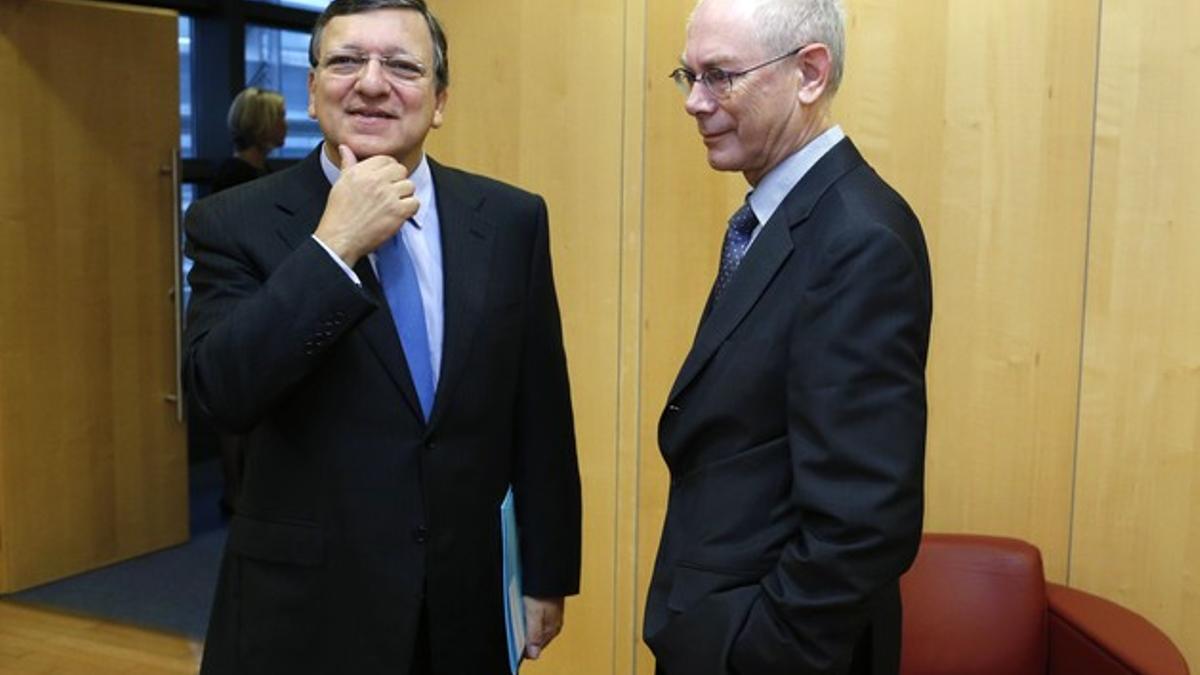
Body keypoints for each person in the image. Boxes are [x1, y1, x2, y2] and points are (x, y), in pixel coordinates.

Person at [182, 1, 581, 673]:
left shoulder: (509, 220)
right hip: (304, 613)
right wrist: (332, 249)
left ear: (440, 99)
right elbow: (220, 391)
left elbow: (540, 410)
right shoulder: (233, 221)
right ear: (312, 88)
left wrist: (546, 569)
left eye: (400, 65)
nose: (371, 82)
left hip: (464, 601)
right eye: (345, 61)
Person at [643, 1, 933, 674]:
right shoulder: (779, 217)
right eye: (688, 76)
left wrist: (755, 652)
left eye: (720, 76)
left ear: (809, 73)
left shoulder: (858, 240)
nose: (695, 102)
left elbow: (863, 522)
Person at [211, 86, 287, 193]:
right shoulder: (234, 177)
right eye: (280, 116)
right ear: (261, 123)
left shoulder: (263, 170)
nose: (285, 125)